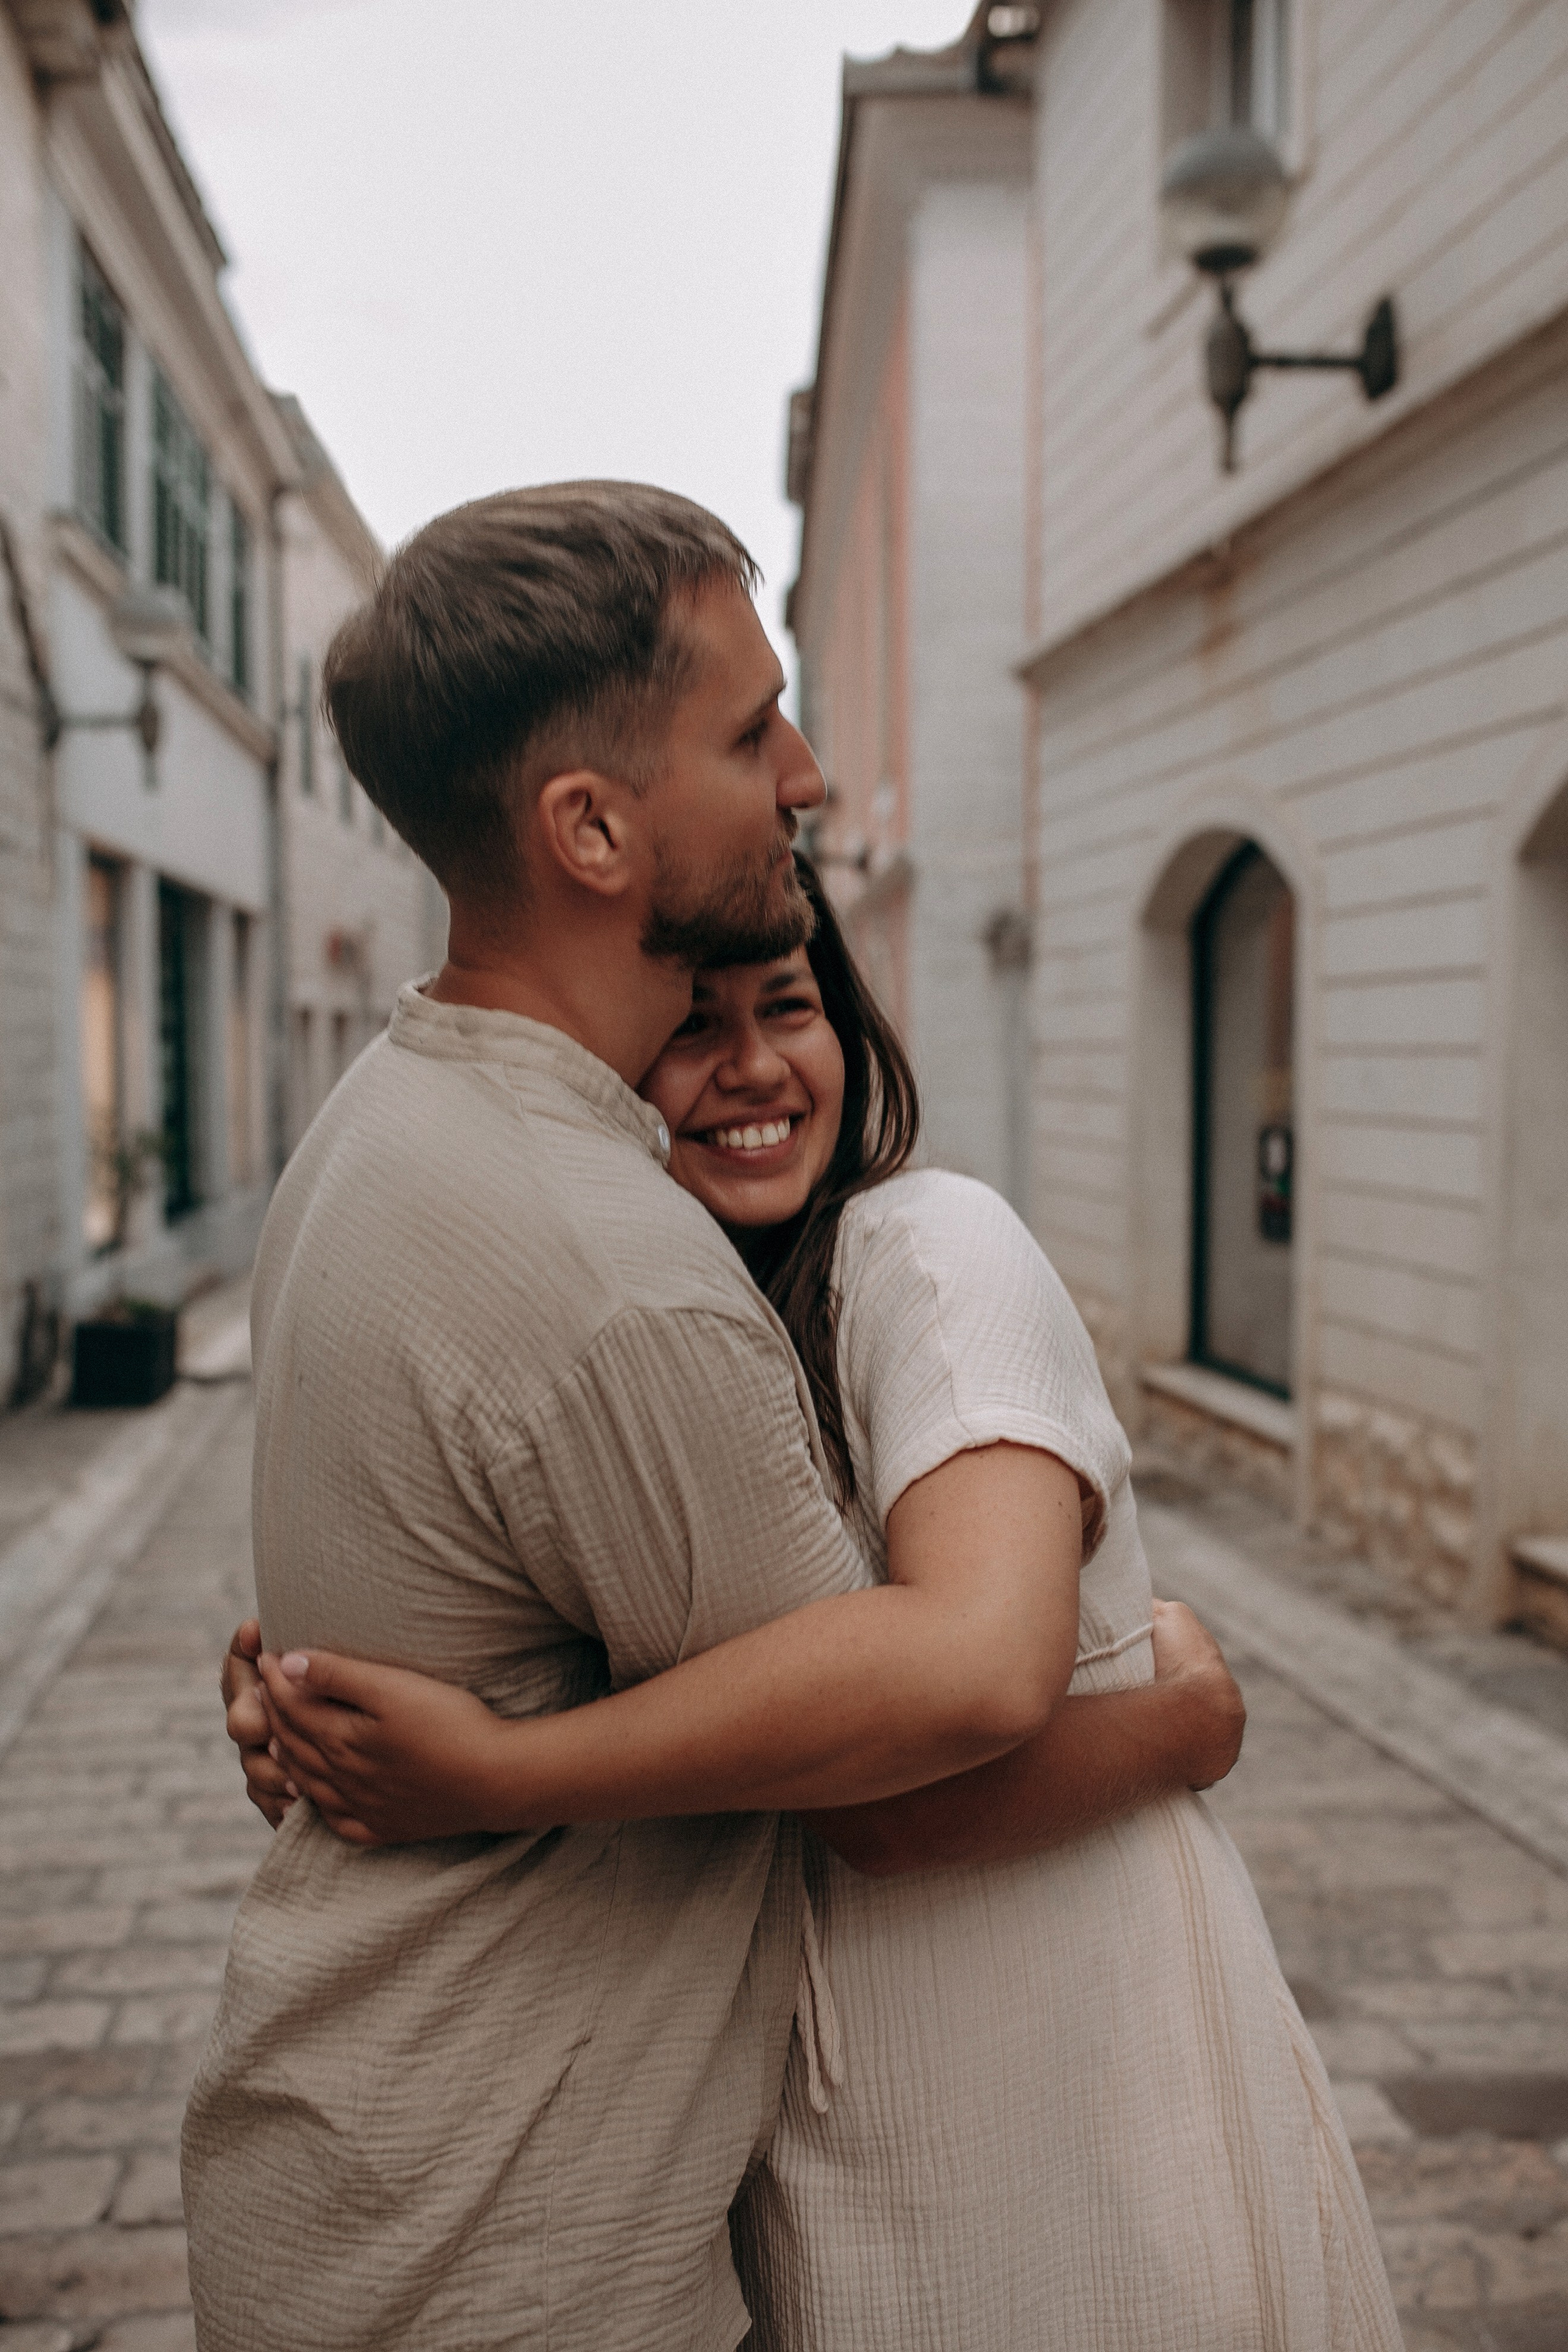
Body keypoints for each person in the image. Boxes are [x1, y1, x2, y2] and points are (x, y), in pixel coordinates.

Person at [183, 482, 1244, 2352]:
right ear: (591, 829)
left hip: (363, 2181)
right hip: (504, 2249)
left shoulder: (382, 1117)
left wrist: (420, 1712)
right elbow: (919, 1752)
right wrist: (1189, 1713)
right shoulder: (610, 1264)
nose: (808, 777)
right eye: (752, 734)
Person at [236, 861, 1402, 2350]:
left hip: (1052, 2062)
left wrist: (1190, 1727)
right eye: (690, 1024)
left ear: (849, 1030)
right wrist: (307, 1709)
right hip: (826, 2097)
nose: (748, 1066)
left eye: (786, 1009)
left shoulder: (929, 1252)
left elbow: (901, 1795)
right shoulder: (652, 1312)